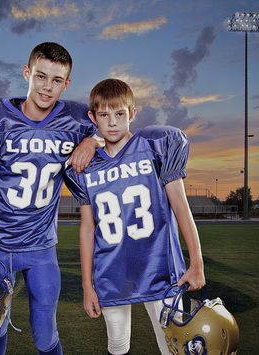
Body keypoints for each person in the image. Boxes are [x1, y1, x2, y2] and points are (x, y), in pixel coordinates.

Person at [0, 42, 99, 355]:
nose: (47, 87)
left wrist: (93, 140)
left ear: (67, 84)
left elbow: (113, 124)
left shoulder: (77, 121)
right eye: (40, 76)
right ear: (27, 73)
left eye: (56, 80)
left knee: (45, 335)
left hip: (41, 248)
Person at [64, 79, 206, 355]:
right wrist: (87, 285)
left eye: (119, 114)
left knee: (174, 346)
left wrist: (196, 261)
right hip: (111, 272)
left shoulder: (156, 146)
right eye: (104, 115)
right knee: (117, 346)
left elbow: (180, 205)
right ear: (93, 118)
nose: (112, 122)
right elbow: (87, 228)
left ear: (132, 113)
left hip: (162, 270)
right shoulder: (85, 167)